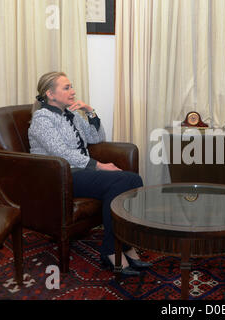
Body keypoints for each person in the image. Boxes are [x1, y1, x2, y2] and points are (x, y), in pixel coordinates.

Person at [28, 71, 151, 276]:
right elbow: (61, 152)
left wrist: (90, 111)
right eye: (66, 87)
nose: (73, 91)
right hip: (58, 177)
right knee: (121, 182)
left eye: (71, 86)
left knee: (133, 179)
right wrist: (99, 165)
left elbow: (97, 137)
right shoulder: (42, 119)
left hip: (78, 171)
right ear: (50, 94)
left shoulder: (73, 114)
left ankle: (123, 244)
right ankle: (113, 250)